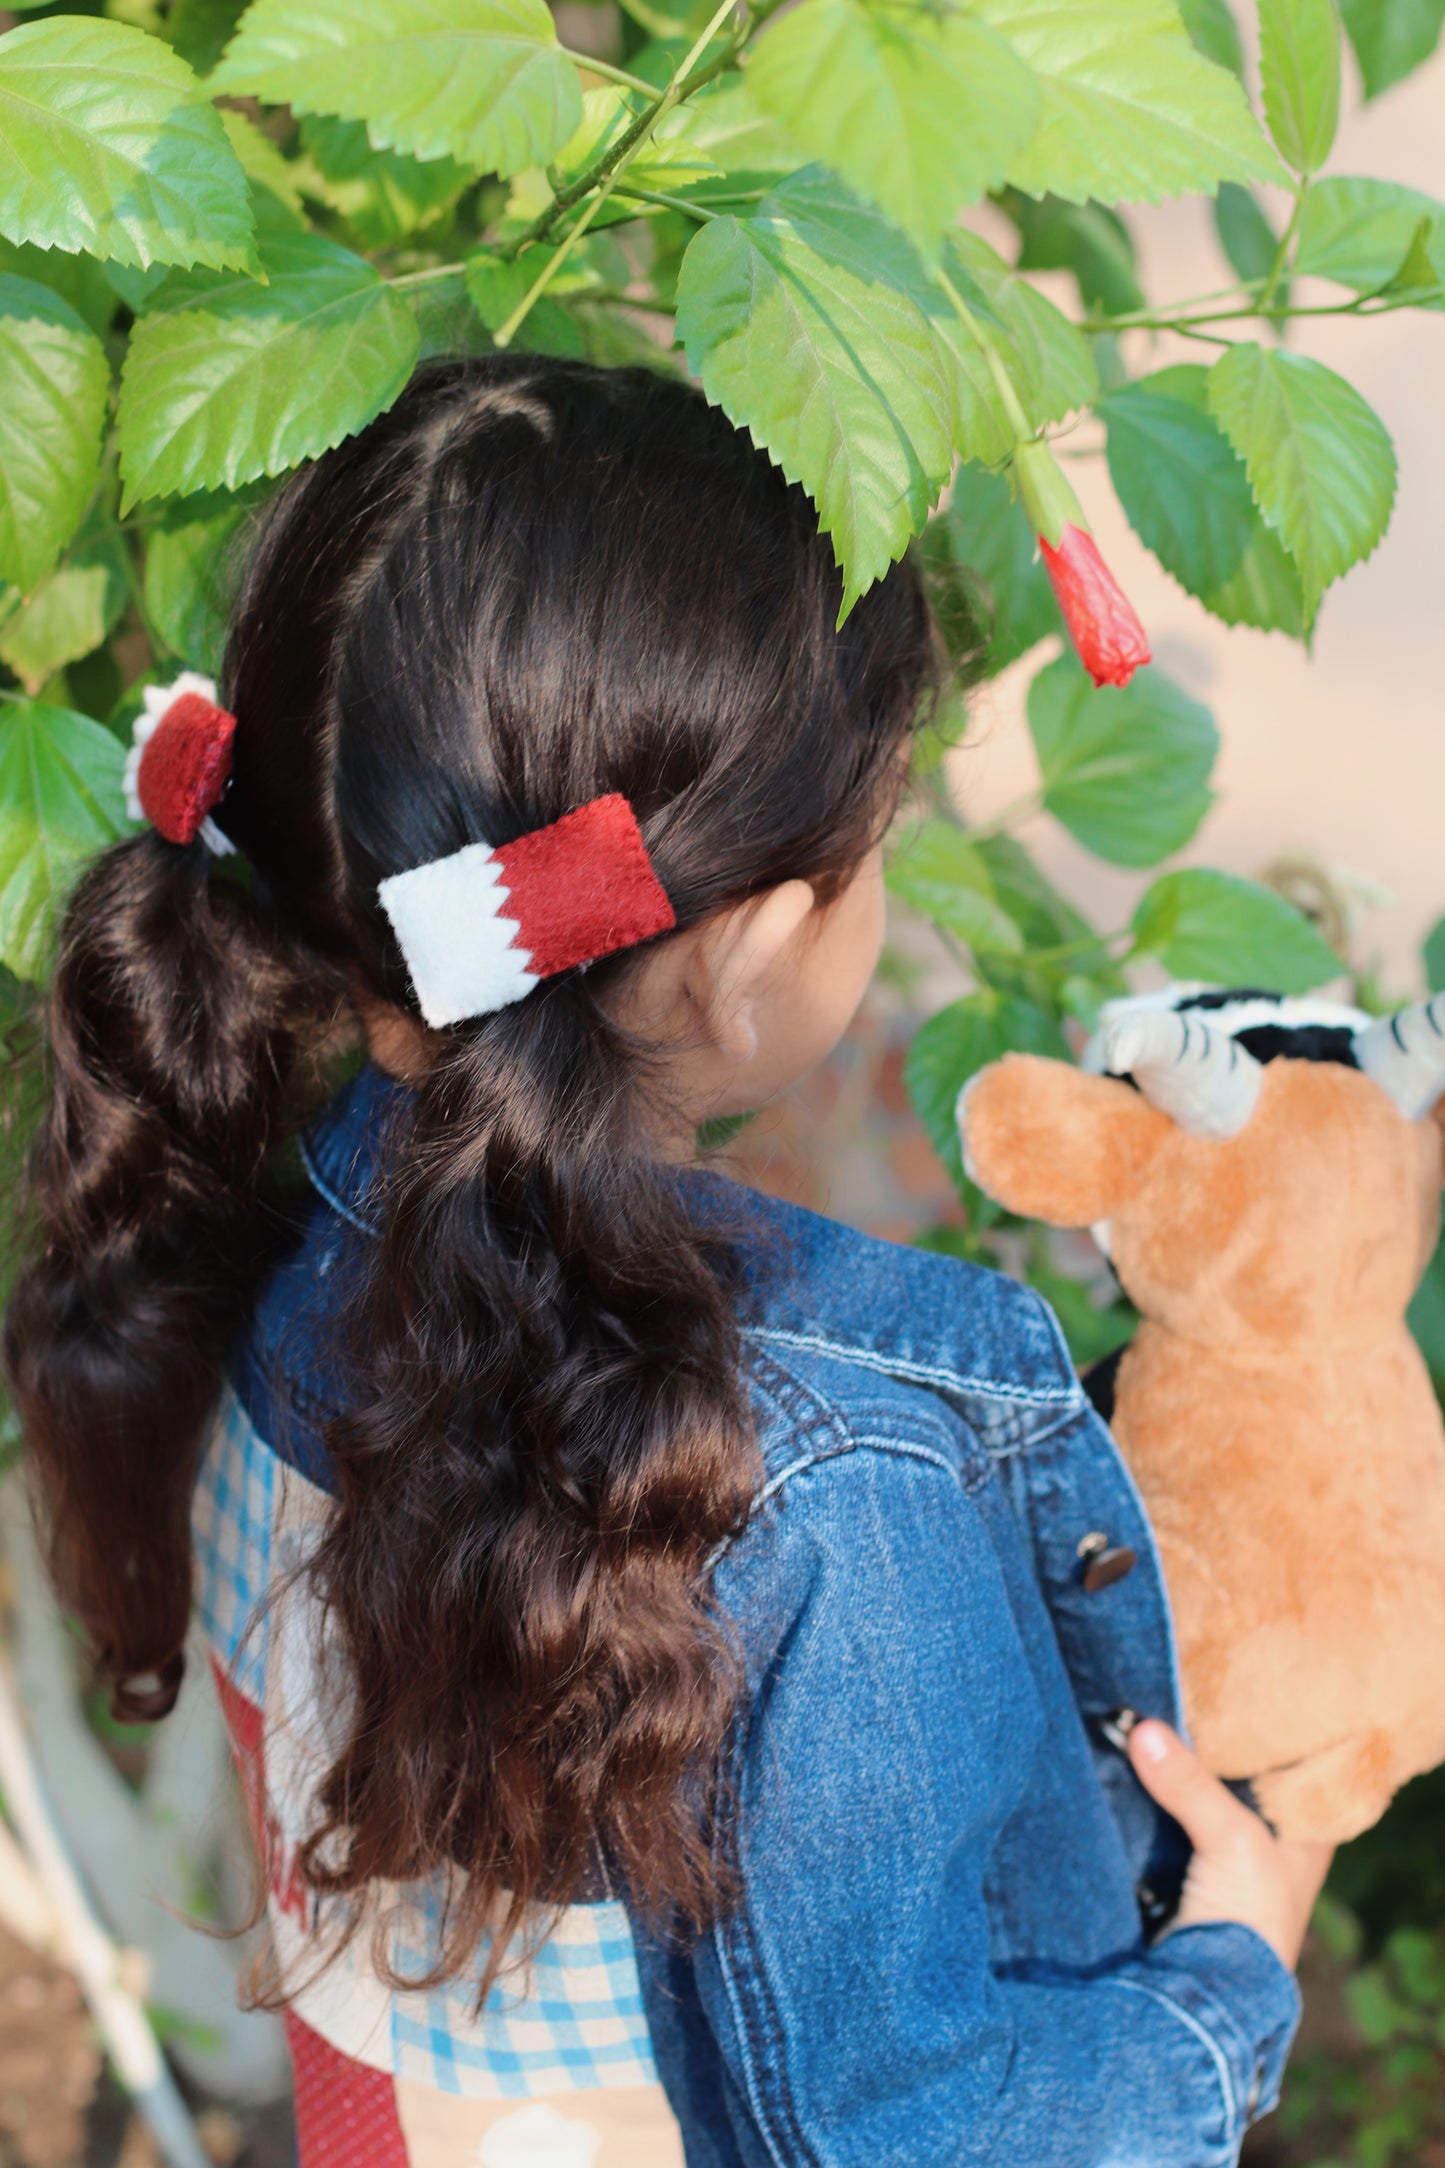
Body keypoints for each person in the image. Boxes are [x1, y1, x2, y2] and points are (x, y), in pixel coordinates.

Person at [5, 357, 1328, 2167]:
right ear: (753, 951)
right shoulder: (830, 1483)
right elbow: (919, 2134)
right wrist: (1231, 1976)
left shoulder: (243, 1217)